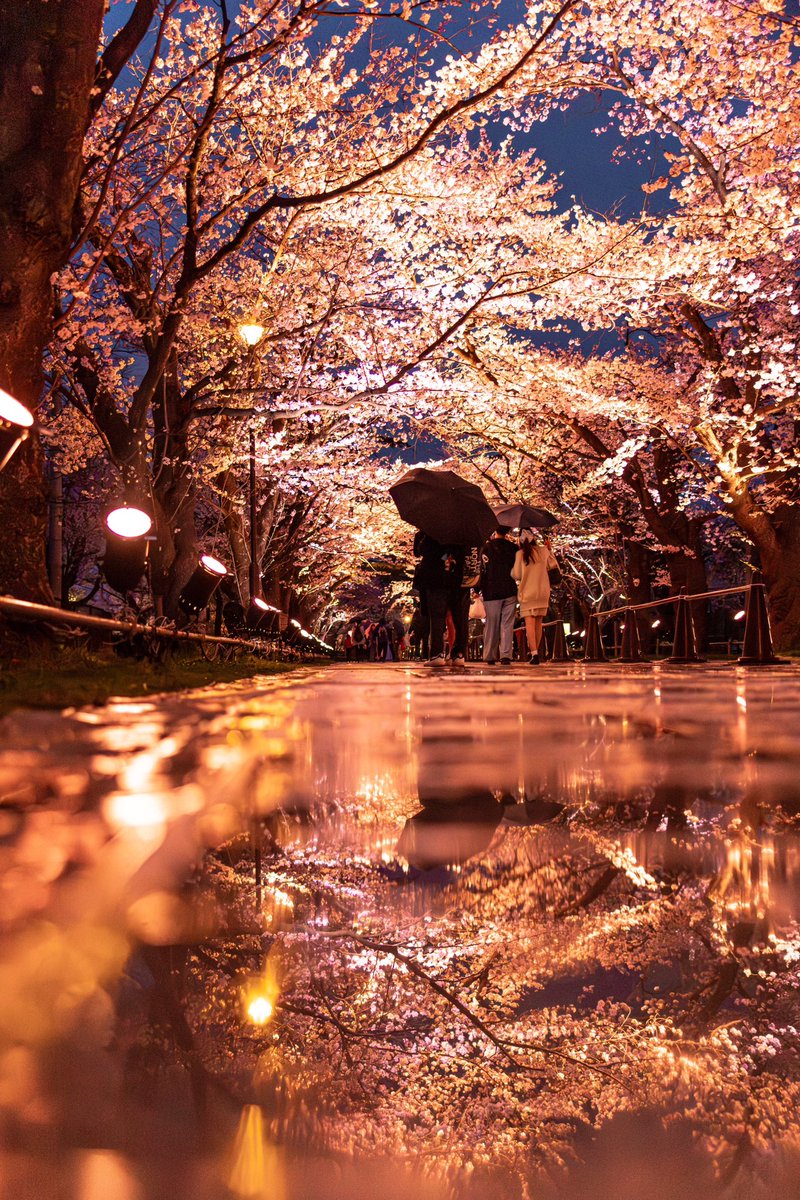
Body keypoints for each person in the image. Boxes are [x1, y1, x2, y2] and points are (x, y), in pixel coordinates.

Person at [413, 530, 467, 664]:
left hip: (436, 578)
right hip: (457, 578)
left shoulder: (429, 531)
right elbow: (459, 553)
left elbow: (421, 551)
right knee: (459, 617)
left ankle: (437, 654)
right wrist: (448, 556)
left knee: (437, 616)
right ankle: (459, 654)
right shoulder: (461, 531)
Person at [511, 531, 559, 664]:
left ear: (520, 540)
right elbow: (552, 565)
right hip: (542, 592)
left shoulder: (520, 554)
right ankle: (535, 652)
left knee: (530, 624)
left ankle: (534, 654)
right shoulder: (543, 551)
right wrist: (550, 549)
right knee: (538, 624)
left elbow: (516, 574)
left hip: (528, 593)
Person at [479, 528, 517, 664]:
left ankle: (490, 655)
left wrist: (477, 589)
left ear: (494, 531)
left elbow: (481, 570)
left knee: (491, 624)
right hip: (510, 589)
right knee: (507, 624)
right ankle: (506, 655)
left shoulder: (486, 548)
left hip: (491, 590)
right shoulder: (514, 548)